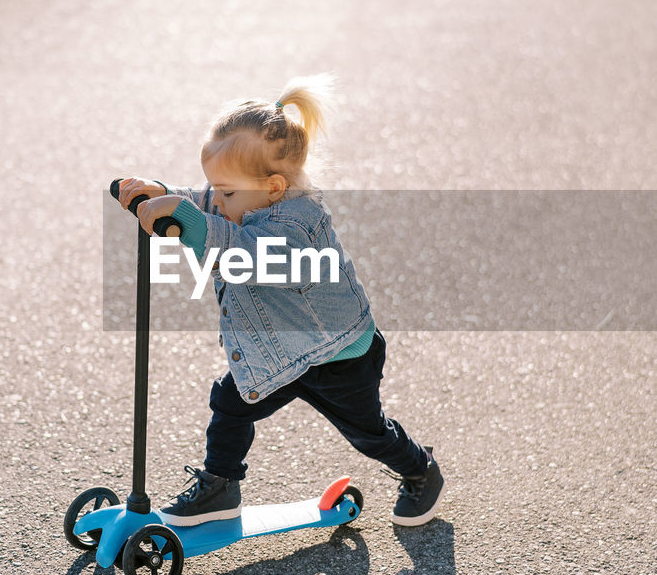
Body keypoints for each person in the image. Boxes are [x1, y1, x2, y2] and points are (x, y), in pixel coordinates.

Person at [115, 76, 445, 530]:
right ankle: (220, 485)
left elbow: (247, 256)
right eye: (216, 189)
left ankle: (419, 469)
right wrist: (164, 195)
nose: (218, 199)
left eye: (227, 192)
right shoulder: (241, 197)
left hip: (337, 358)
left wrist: (188, 222)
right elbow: (206, 204)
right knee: (230, 403)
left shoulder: (299, 226)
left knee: (366, 433)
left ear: (273, 187)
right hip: (278, 353)